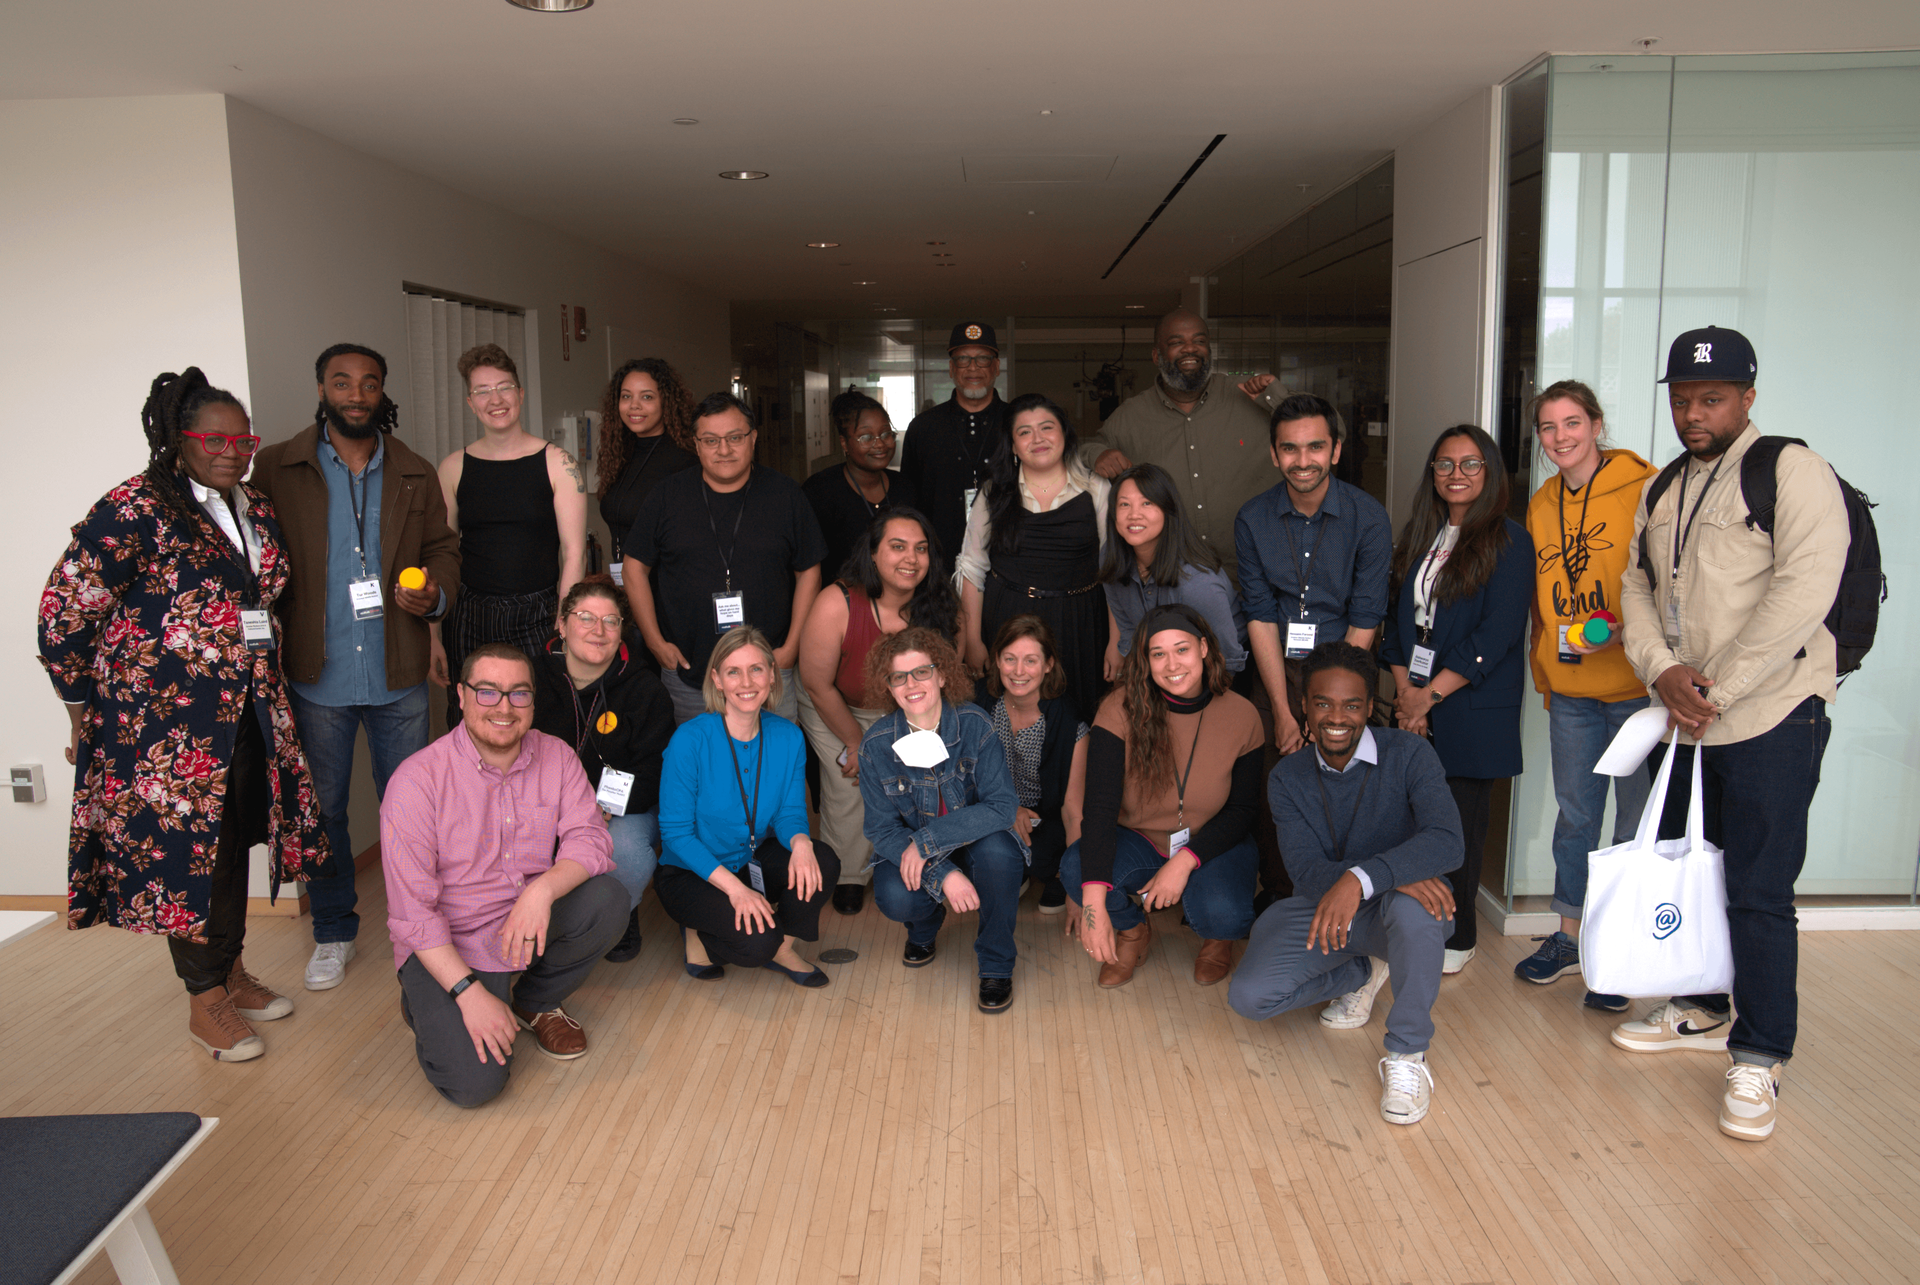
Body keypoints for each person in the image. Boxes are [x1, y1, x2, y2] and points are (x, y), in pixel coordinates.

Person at [40, 368, 330, 1062]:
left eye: (243, 438)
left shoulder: (254, 507)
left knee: (231, 844)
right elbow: (64, 609)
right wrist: (82, 709)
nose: (232, 449)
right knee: (188, 858)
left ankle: (228, 969)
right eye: (214, 437)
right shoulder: (135, 507)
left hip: (249, 712)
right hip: (167, 730)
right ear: (178, 438)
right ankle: (204, 1001)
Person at [1614, 325, 1848, 1143]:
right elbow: (1634, 585)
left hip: (1771, 714)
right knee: (1694, 874)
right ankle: (1703, 1006)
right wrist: (1661, 671)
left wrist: (1718, 686)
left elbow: (1805, 590)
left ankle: (1759, 1054)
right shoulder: (1667, 483)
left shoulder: (1790, 469)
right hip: (1686, 716)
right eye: (1680, 398)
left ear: (1748, 395)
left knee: (1757, 889)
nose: (1692, 412)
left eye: (1710, 398)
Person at [252, 342, 460, 993]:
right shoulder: (276, 469)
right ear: (321, 387)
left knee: (411, 811)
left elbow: (444, 549)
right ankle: (335, 929)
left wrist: (434, 598)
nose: (356, 394)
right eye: (342, 382)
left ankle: (419, 927)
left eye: (369, 384)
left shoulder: (414, 471)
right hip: (317, 674)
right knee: (325, 810)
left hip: (398, 670)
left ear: (381, 393)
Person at [381, 643, 626, 1107]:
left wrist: (541, 892)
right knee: (475, 1086)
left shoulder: (556, 756)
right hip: (450, 943)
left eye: (518, 694)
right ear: (461, 695)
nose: (504, 708)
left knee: (609, 899)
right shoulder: (416, 782)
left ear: (533, 702)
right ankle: (426, 999)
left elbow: (591, 840)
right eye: (488, 692)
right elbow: (413, 913)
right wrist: (466, 994)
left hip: (522, 923)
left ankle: (533, 1000)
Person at [1228, 643, 1463, 1127]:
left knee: (1417, 911)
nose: (1338, 717)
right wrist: (1386, 873)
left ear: (1369, 708)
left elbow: (1446, 841)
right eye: (1323, 704)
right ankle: (1362, 973)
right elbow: (1306, 870)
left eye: (1352, 705)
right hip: (1328, 907)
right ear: (1304, 708)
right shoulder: (1287, 776)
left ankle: (1407, 1052)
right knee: (1249, 998)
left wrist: (1365, 878)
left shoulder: (1411, 753)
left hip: (1398, 913)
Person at [1512, 380, 1657, 1009]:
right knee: (1576, 817)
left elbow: (1665, 580)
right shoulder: (1541, 503)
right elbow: (1543, 603)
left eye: (1572, 423)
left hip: (1633, 686)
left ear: (1596, 425)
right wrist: (1544, 669)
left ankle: (1618, 947)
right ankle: (1569, 935)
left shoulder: (1645, 486)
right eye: (1549, 427)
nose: (1560, 437)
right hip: (1571, 686)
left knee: (1633, 823)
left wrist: (1634, 630)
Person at [1380, 425, 1534, 975]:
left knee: (1459, 829)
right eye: (1445, 464)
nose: (1457, 474)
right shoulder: (1420, 537)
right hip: (1413, 702)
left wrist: (1428, 698)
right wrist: (1405, 693)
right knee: (1412, 821)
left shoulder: (1510, 542)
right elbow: (1397, 626)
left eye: (1471, 464)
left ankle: (1458, 933)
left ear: (1491, 472)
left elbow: (1496, 636)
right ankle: (1415, 920)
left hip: (1470, 710)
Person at [1235, 392, 1394, 900]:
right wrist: (1284, 708)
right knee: (1275, 788)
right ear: (1274, 453)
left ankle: (1348, 895)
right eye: (1290, 449)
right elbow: (1259, 613)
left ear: (1337, 450)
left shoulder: (1368, 517)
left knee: (1342, 785)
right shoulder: (1253, 518)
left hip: (1347, 661)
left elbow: (1366, 615)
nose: (1303, 461)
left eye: (1315, 447)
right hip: (1276, 667)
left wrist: (1330, 702)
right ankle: (1281, 896)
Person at [1060, 606, 1263, 988]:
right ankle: (1134, 932)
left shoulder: (1243, 715)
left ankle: (1218, 939)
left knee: (1227, 913)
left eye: (1182, 649)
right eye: (1158, 653)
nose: (1172, 664)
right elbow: (1099, 809)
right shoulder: (1119, 709)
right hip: (1141, 839)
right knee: (1076, 869)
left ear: (1203, 648)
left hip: (1212, 840)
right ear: (1145, 661)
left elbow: (1242, 810)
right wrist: (1094, 907)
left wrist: (1184, 861)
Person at [622, 393, 827, 726]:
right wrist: (655, 642)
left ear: (753, 438)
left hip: (769, 674)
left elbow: (809, 571)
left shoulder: (785, 495)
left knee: (773, 770)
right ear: (696, 444)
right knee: (697, 771)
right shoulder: (666, 496)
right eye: (711, 440)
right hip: (689, 676)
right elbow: (634, 568)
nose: (724, 449)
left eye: (735, 438)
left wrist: (791, 647)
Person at [797, 508, 960, 916]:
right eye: (898, 547)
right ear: (872, 554)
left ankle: (918, 860)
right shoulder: (837, 602)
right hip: (835, 704)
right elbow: (817, 683)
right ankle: (849, 875)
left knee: (915, 779)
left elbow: (945, 683)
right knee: (849, 781)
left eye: (921, 549)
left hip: (908, 713)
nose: (911, 558)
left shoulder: (940, 604)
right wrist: (856, 742)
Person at [653, 627, 838, 984]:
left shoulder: (788, 735)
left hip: (752, 856)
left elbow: (789, 811)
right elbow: (675, 835)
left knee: (822, 860)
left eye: (756, 669)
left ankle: (782, 949)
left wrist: (800, 842)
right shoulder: (689, 740)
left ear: (772, 673)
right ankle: (698, 935)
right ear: (717, 680)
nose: (746, 681)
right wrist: (737, 891)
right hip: (692, 873)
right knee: (754, 947)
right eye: (733, 671)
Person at [860, 628, 1024, 1012]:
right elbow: (882, 830)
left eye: (921, 672)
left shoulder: (975, 725)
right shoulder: (875, 746)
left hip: (974, 842)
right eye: (898, 677)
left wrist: (927, 840)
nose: (911, 684)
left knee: (1001, 856)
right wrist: (942, 872)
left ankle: (997, 965)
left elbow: (1001, 806)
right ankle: (924, 926)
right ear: (889, 687)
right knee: (896, 895)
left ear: (942, 675)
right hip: (913, 852)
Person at [435, 343, 588, 723]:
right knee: (472, 723)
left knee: (541, 721)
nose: (495, 399)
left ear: (520, 394)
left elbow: (574, 553)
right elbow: (440, 555)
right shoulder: (454, 467)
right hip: (470, 615)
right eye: (482, 391)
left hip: (539, 615)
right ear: (471, 403)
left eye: (503, 387)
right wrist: (432, 636)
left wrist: (564, 621)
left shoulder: (558, 463)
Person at [531, 575, 675, 963]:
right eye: (585, 618)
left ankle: (617, 914)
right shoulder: (530, 680)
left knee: (623, 848)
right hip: (540, 804)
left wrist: (600, 808)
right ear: (561, 625)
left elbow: (653, 774)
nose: (599, 630)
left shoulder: (646, 689)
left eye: (611, 621)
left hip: (620, 807)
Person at [1076, 308, 1295, 562]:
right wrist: (1098, 453)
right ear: (1157, 356)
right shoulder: (1130, 415)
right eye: (1177, 342)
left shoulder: (1253, 395)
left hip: (1259, 570)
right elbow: (1082, 450)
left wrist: (1278, 400)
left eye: (1199, 341)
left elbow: (1334, 430)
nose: (1190, 349)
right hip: (1177, 577)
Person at [956, 393, 1113, 723]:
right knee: (1006, 720)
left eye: (1047, 428)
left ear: (1065, 435)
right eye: (1024, 432)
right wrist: (973, 640)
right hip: (1008, 620)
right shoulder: (993, 493)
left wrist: (1117, 640)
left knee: (1076, 719)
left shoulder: (1097, 490)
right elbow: (972, 570)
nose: (1037, 439)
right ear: (1013, 445)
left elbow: (1114, 571)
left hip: (1080, 621)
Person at [971, 615, 1089, 914]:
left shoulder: (1069, 720)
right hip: (993, 809)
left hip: (1047, 819)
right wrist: (1007, 808)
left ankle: (1056, 874)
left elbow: (1074, 810)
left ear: (1048, 664)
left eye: (1031, 661)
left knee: (1038, 856)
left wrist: (1079, 888)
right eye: (1010, 659)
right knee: (987, 852)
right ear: (996, 660)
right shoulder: (979, 704)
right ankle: (1017, 870)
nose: (1019, 671)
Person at [1100, 462, 1246, 674]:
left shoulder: (1197, 583)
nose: (1134, 515)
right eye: (1124, 505)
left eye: (1147, 503)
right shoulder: (1110, 557)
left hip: (1210, 676)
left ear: (1168, 509)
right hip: (1156, 670)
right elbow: (1131, 632)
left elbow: (1226, 661)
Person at [898, 322, 1009, 564]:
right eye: (962, 359)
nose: (973, 368)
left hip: (1008, 558)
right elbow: (908, 501)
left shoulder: (1018, 424)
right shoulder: (923, 427)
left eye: (983, 359)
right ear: (951, 368)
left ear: (997, 366)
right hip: (939, 560)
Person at [803, 389, 920, 581]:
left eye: (885, 434)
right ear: (844, 444)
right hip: (841, 605)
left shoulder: (905, 488)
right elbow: (808, 568)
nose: (880, 444)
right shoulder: (819, 492)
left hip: (898, 603)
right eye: (866, 437)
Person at [595, 357, 698, 570]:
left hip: (666, 586)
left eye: (647, 397)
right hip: (625, 582)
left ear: (666, 402)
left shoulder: (685, 460)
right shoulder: (619, 453)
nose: (634, 405)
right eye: (626, 396)